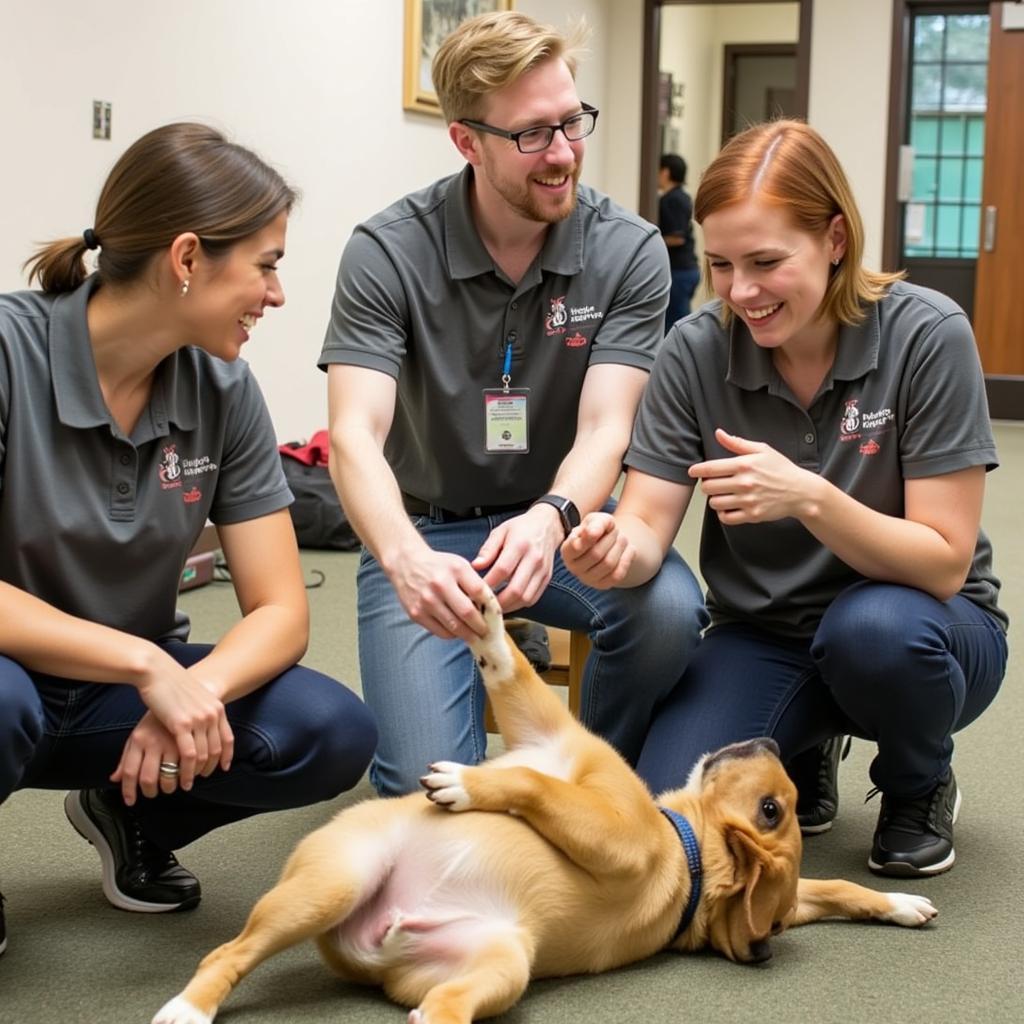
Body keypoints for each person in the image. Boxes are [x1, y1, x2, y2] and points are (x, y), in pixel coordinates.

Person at [563, 119, 1008, 878]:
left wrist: (809, 498)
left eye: (767, 261)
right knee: (675, 815)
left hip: (921, 624)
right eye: (721, 264)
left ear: (835, 238)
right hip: (764, 634)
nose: (742, 292)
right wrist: (614, 552)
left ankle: (917, 782)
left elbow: (941, 562)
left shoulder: (927, 335)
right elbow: (645, 521)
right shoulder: (695, 349)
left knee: (871, 633)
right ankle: (805, 743)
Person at [0, 123, 377, 949]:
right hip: (19, 681)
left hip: (114, 704)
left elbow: (282, 608)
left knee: (330, 731)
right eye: (267, 265)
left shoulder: (225, 389)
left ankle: (131, 816)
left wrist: (194, 690)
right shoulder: (6, 351)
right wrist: (146, 666)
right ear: (186, 259)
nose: (276, 295)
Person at [319, 11, 706, 797]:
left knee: (667, 610)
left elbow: (608, 425)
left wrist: (552, 515)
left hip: (555, 526)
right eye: (533, 134)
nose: (563, 154)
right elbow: (353, 434)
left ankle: (589, 781)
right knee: (426, 791)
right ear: (467, 141)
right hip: (428, 533)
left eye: (572, 122)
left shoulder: (626, 250)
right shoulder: (388, 250)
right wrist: (405, 559)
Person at [658, 153, 700, 330]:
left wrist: (652, 242)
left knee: (676, 326)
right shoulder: (682, 196)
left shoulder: (671, 200)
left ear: (666, 172)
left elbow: (677, 237)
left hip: (679, 272)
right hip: (688, 269)